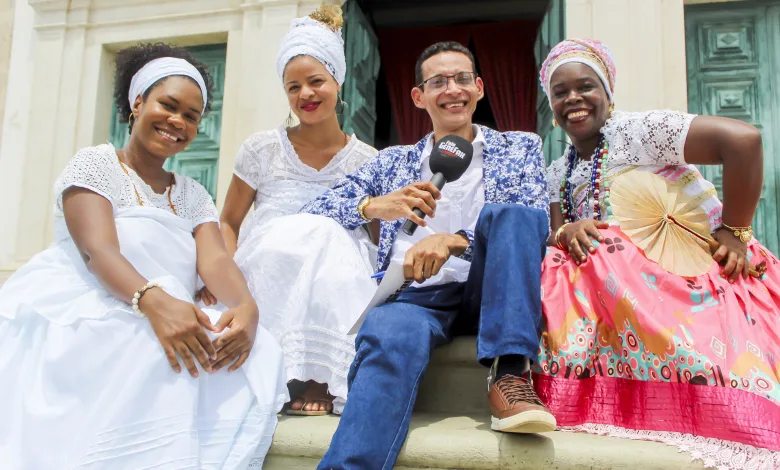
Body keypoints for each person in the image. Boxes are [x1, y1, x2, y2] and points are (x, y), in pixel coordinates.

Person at [0, 43, 288, 469]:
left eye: (191, 116)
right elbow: (98, 251)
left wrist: (247, 308)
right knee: (151, 345)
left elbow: (215, 261)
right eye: (168, 106)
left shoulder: (192, 194)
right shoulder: (95, 165)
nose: (178, 122)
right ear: (138, 103)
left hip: (167, 302)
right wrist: (154, 303)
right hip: (99, 301)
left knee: (252, 348)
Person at [302, 41, 555, 469]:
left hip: (490, 290)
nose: (451, 89)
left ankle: (510, 372)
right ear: (419, 97)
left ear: (478, 88)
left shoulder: (520, 147)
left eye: (460, 79)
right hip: (416, 295)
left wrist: (457, 240)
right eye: (437, 81)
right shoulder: (393, 162)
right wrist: (374, 206)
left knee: (514, 215)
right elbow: (312, 210)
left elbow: (536, 226)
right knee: (388, 332)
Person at [534, 38, 780, 468]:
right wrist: (568, 229)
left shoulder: (640, 131)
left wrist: (735, 232)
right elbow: (556, 236)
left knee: (605, 248)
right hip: (620, 289)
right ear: (552, 106)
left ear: (609, 94)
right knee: (574, 257)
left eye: (586, 86)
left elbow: (743, 141)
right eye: (560, 92)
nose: (573, 98)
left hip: (691, 271)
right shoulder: (559, 170)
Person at [196, 5, 379, 416]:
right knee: (305, 237)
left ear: (338, 80)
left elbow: (377, 236)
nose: (305, 95)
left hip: (338, 264)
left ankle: (318, 375)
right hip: (270, 254)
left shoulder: (367, 159)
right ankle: (284, 371)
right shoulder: (262, 148)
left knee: (329, 239)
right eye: (293, 87)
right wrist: (217, 267)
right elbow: (229, 220)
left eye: (316, 81)